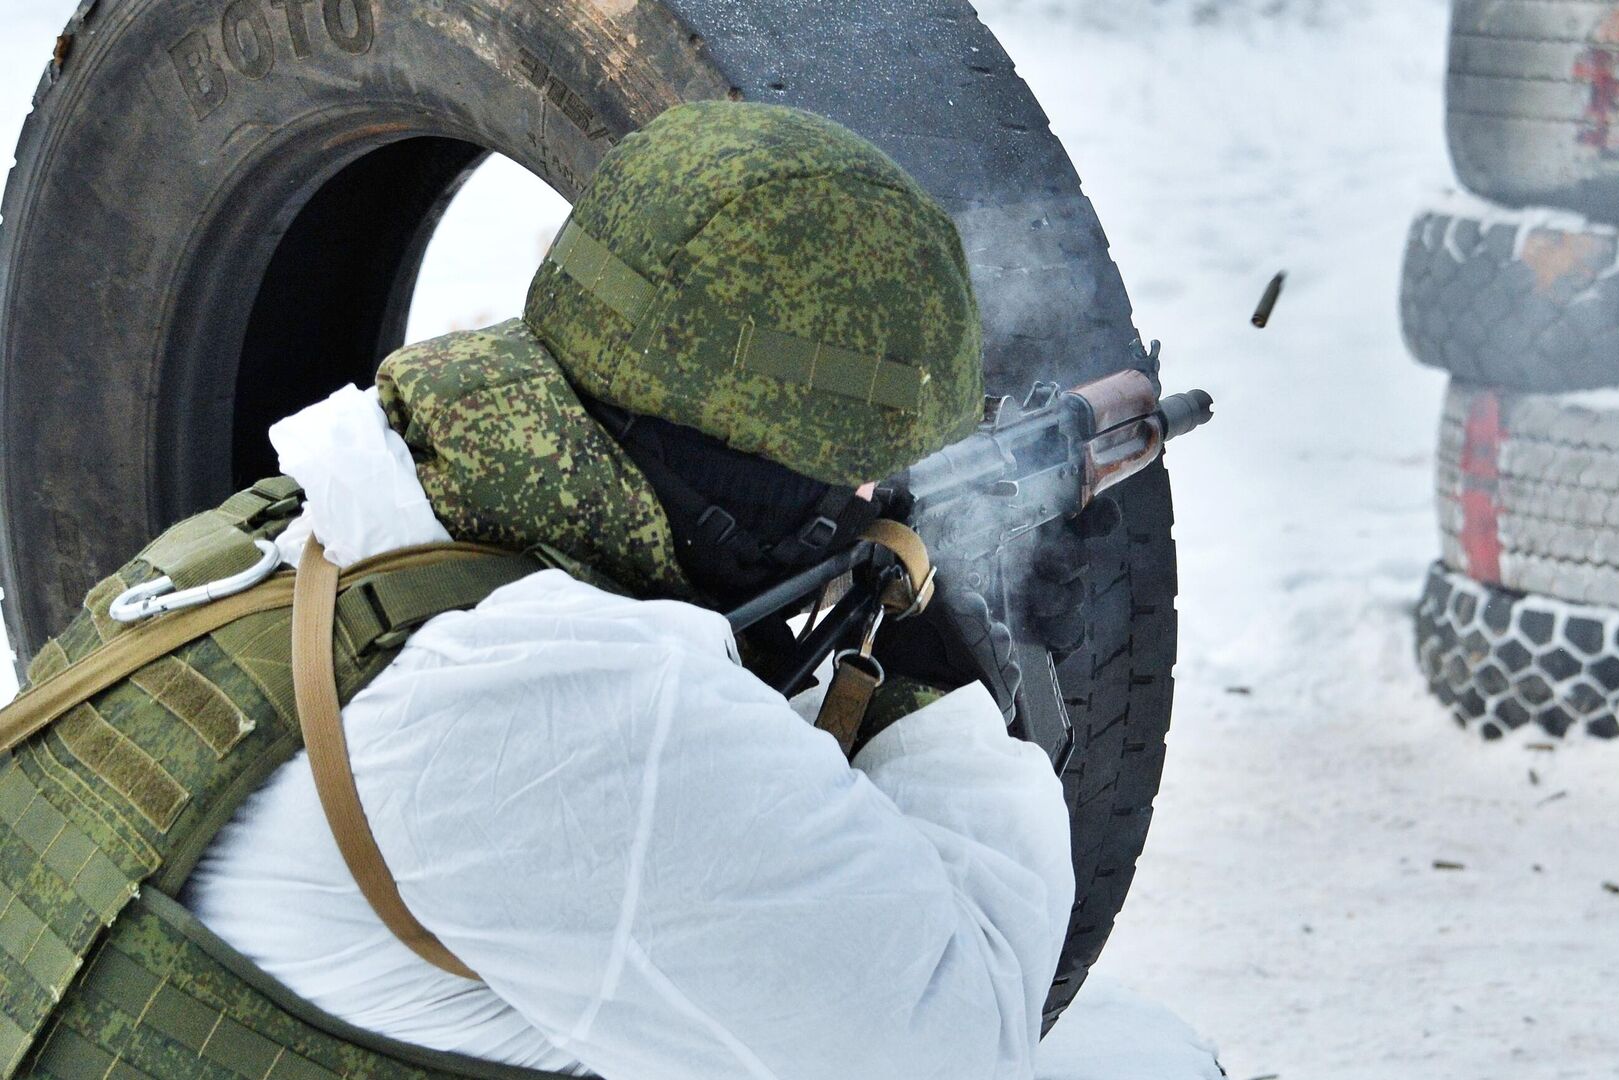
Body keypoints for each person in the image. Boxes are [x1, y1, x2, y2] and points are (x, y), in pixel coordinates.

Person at [0, 101, 1074, 1080]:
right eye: (858, 477)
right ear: (755, 476)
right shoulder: (596, 709)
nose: (866, 502)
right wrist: (924, 674)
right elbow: (959, 1047)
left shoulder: (371, 502)